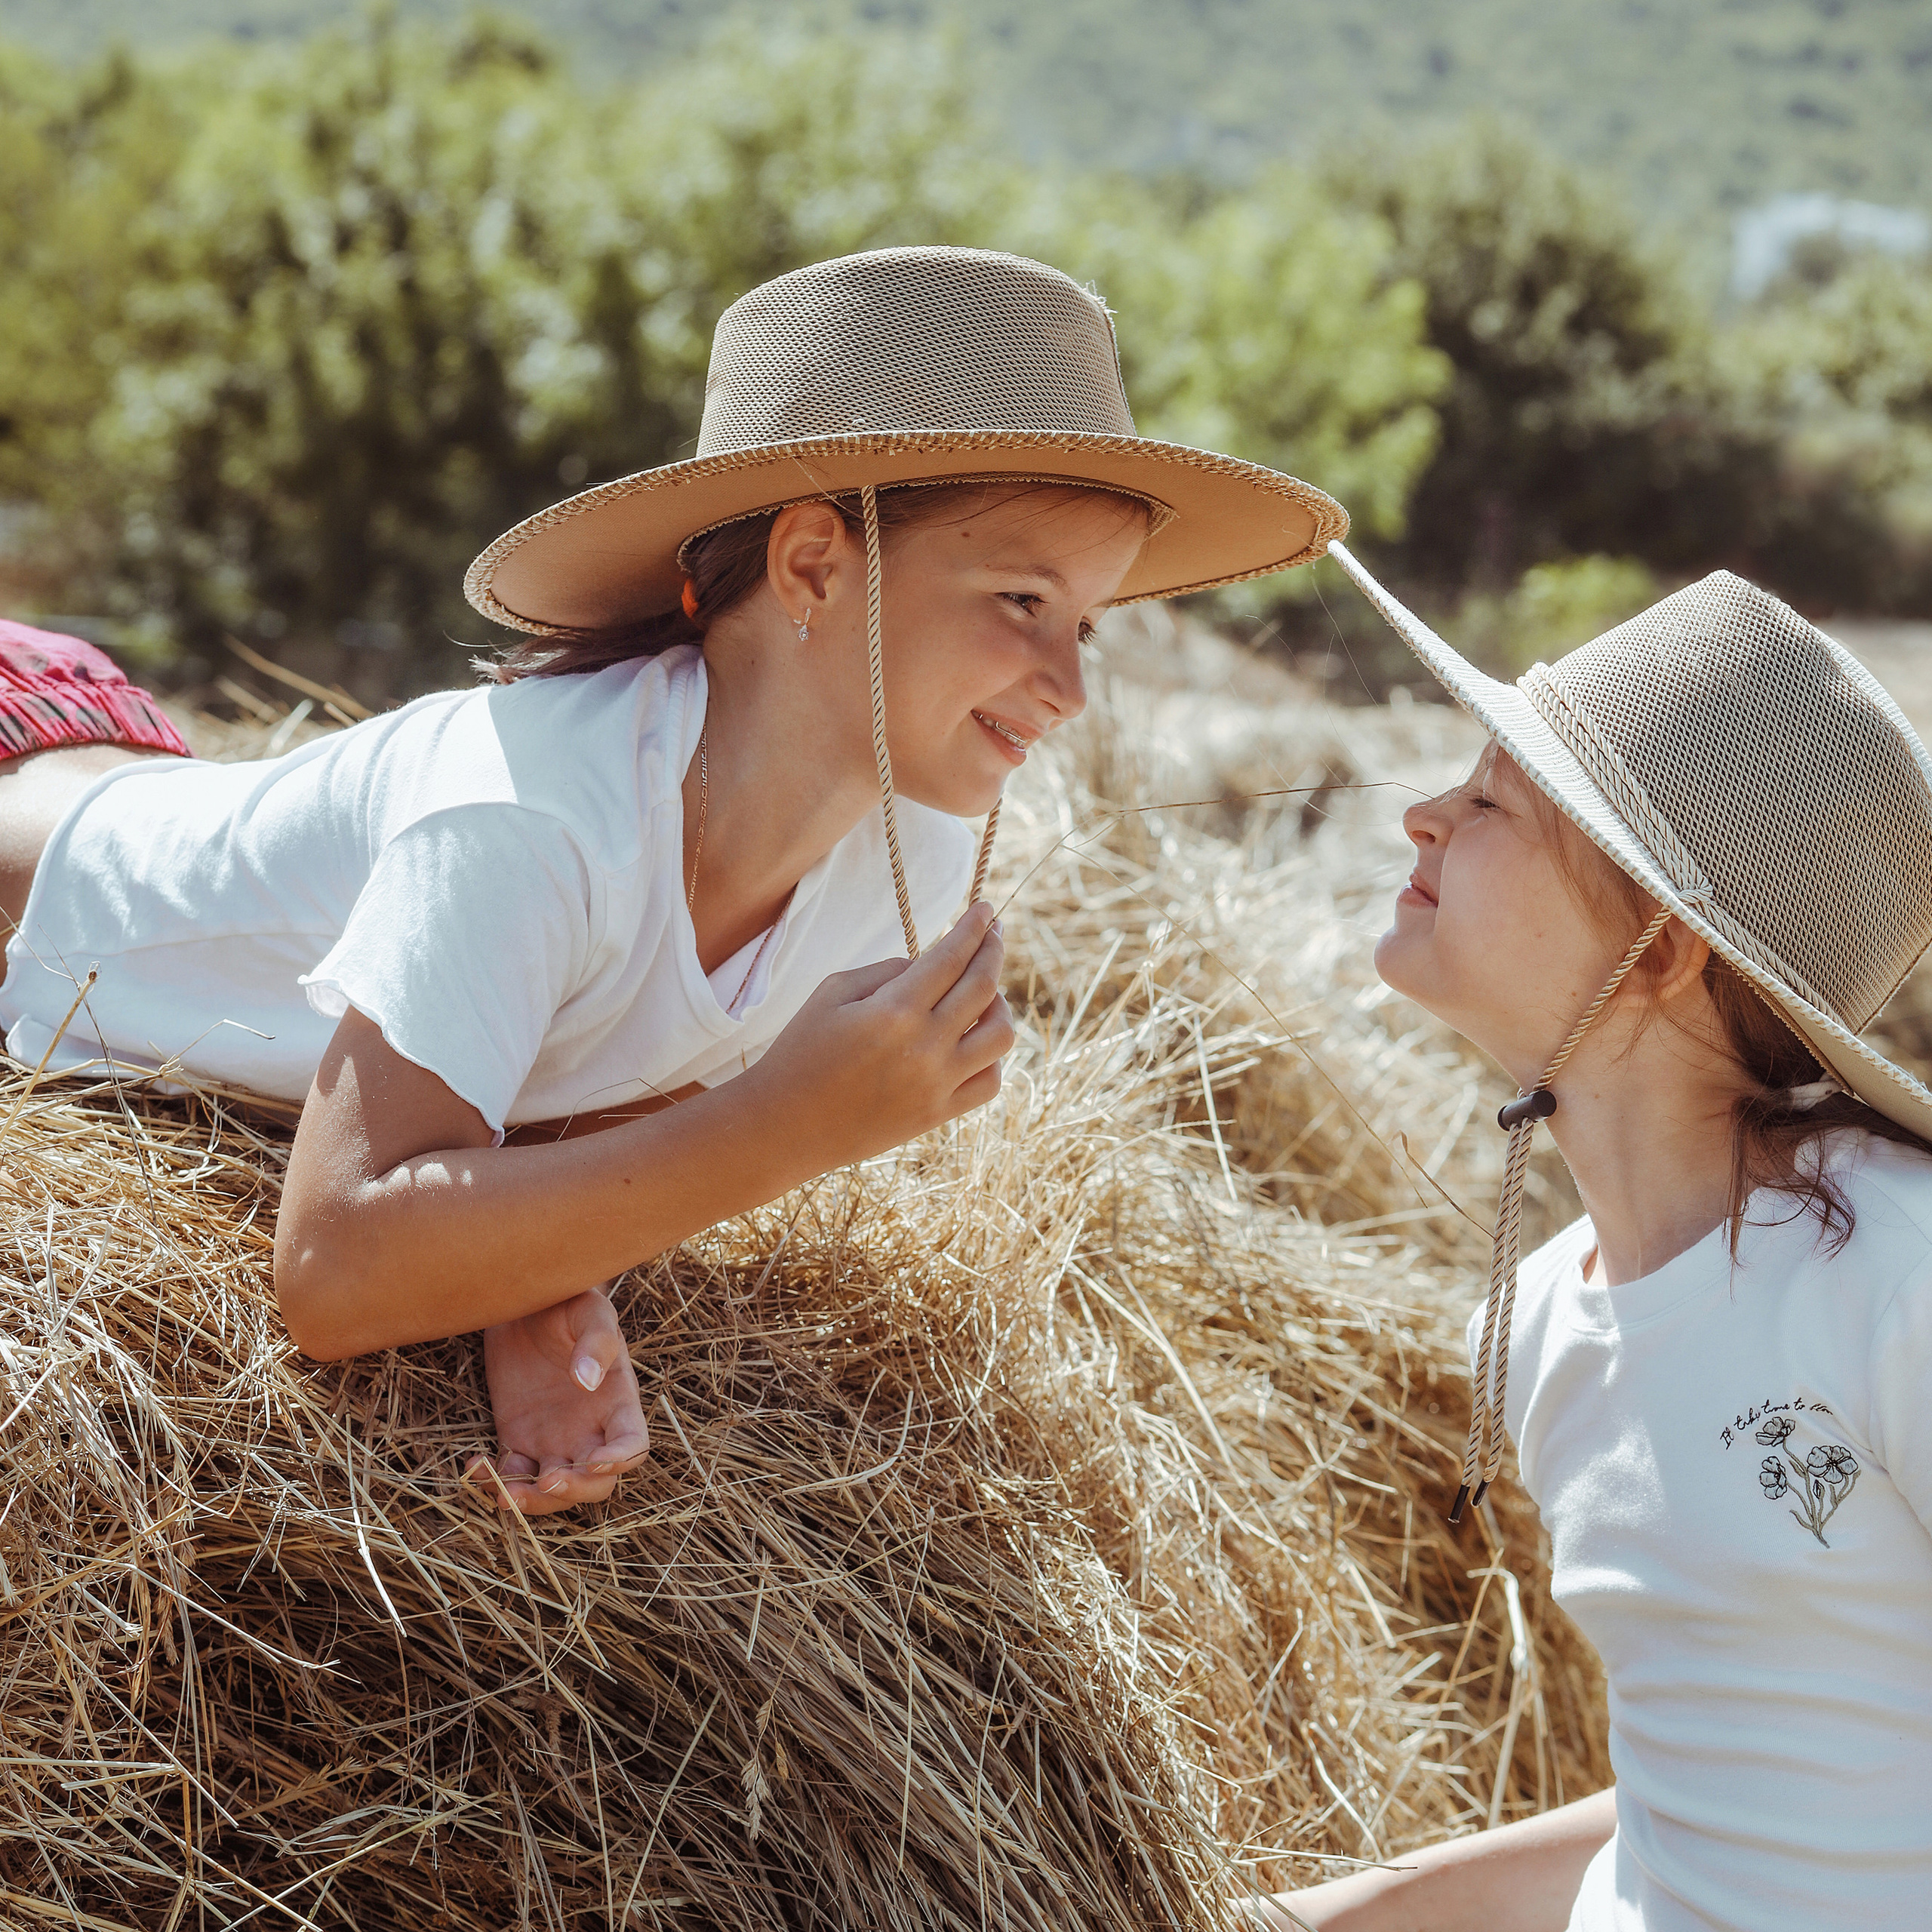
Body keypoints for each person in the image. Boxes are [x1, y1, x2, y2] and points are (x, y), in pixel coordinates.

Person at [0, 245, 1346, 1515]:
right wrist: (782, 1130)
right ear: (814, 563)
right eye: (1020, 605)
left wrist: (529, 1277)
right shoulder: (529, 823)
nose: (1069, 691)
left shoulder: (906, 845)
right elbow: (335, 1267)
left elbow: (582, 1081)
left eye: (1090, 625)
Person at [1257, 550, 1932, 1930]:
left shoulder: (1893, 1281)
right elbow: (1722, 1812)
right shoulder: (1547, 1325)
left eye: (1494, 796)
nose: (1423, 816)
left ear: (1661, 948)